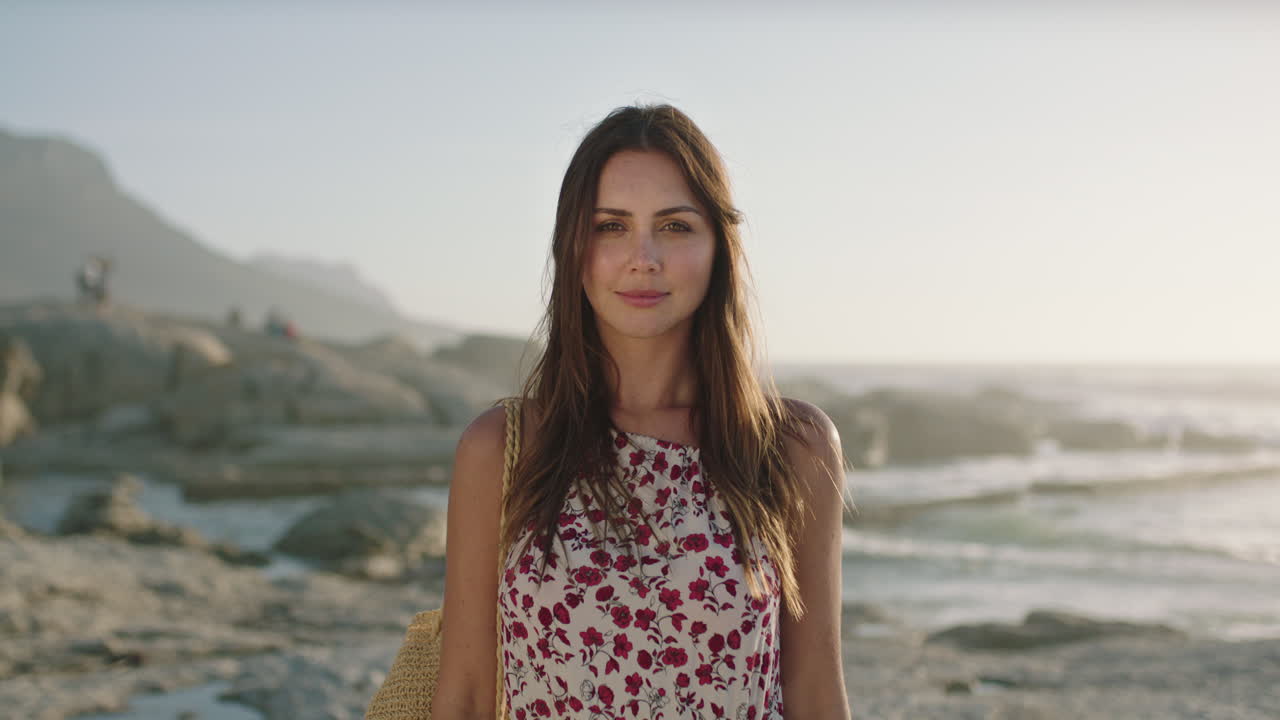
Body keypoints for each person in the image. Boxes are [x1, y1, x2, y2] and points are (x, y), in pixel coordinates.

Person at [433, 105, 853, 719]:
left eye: (676, 226)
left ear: (719, 247)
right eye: (611, 226)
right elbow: (467, 695)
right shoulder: (503, 448)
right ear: (572, 246)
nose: (644, 257)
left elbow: (817, 693)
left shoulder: (791, 446)